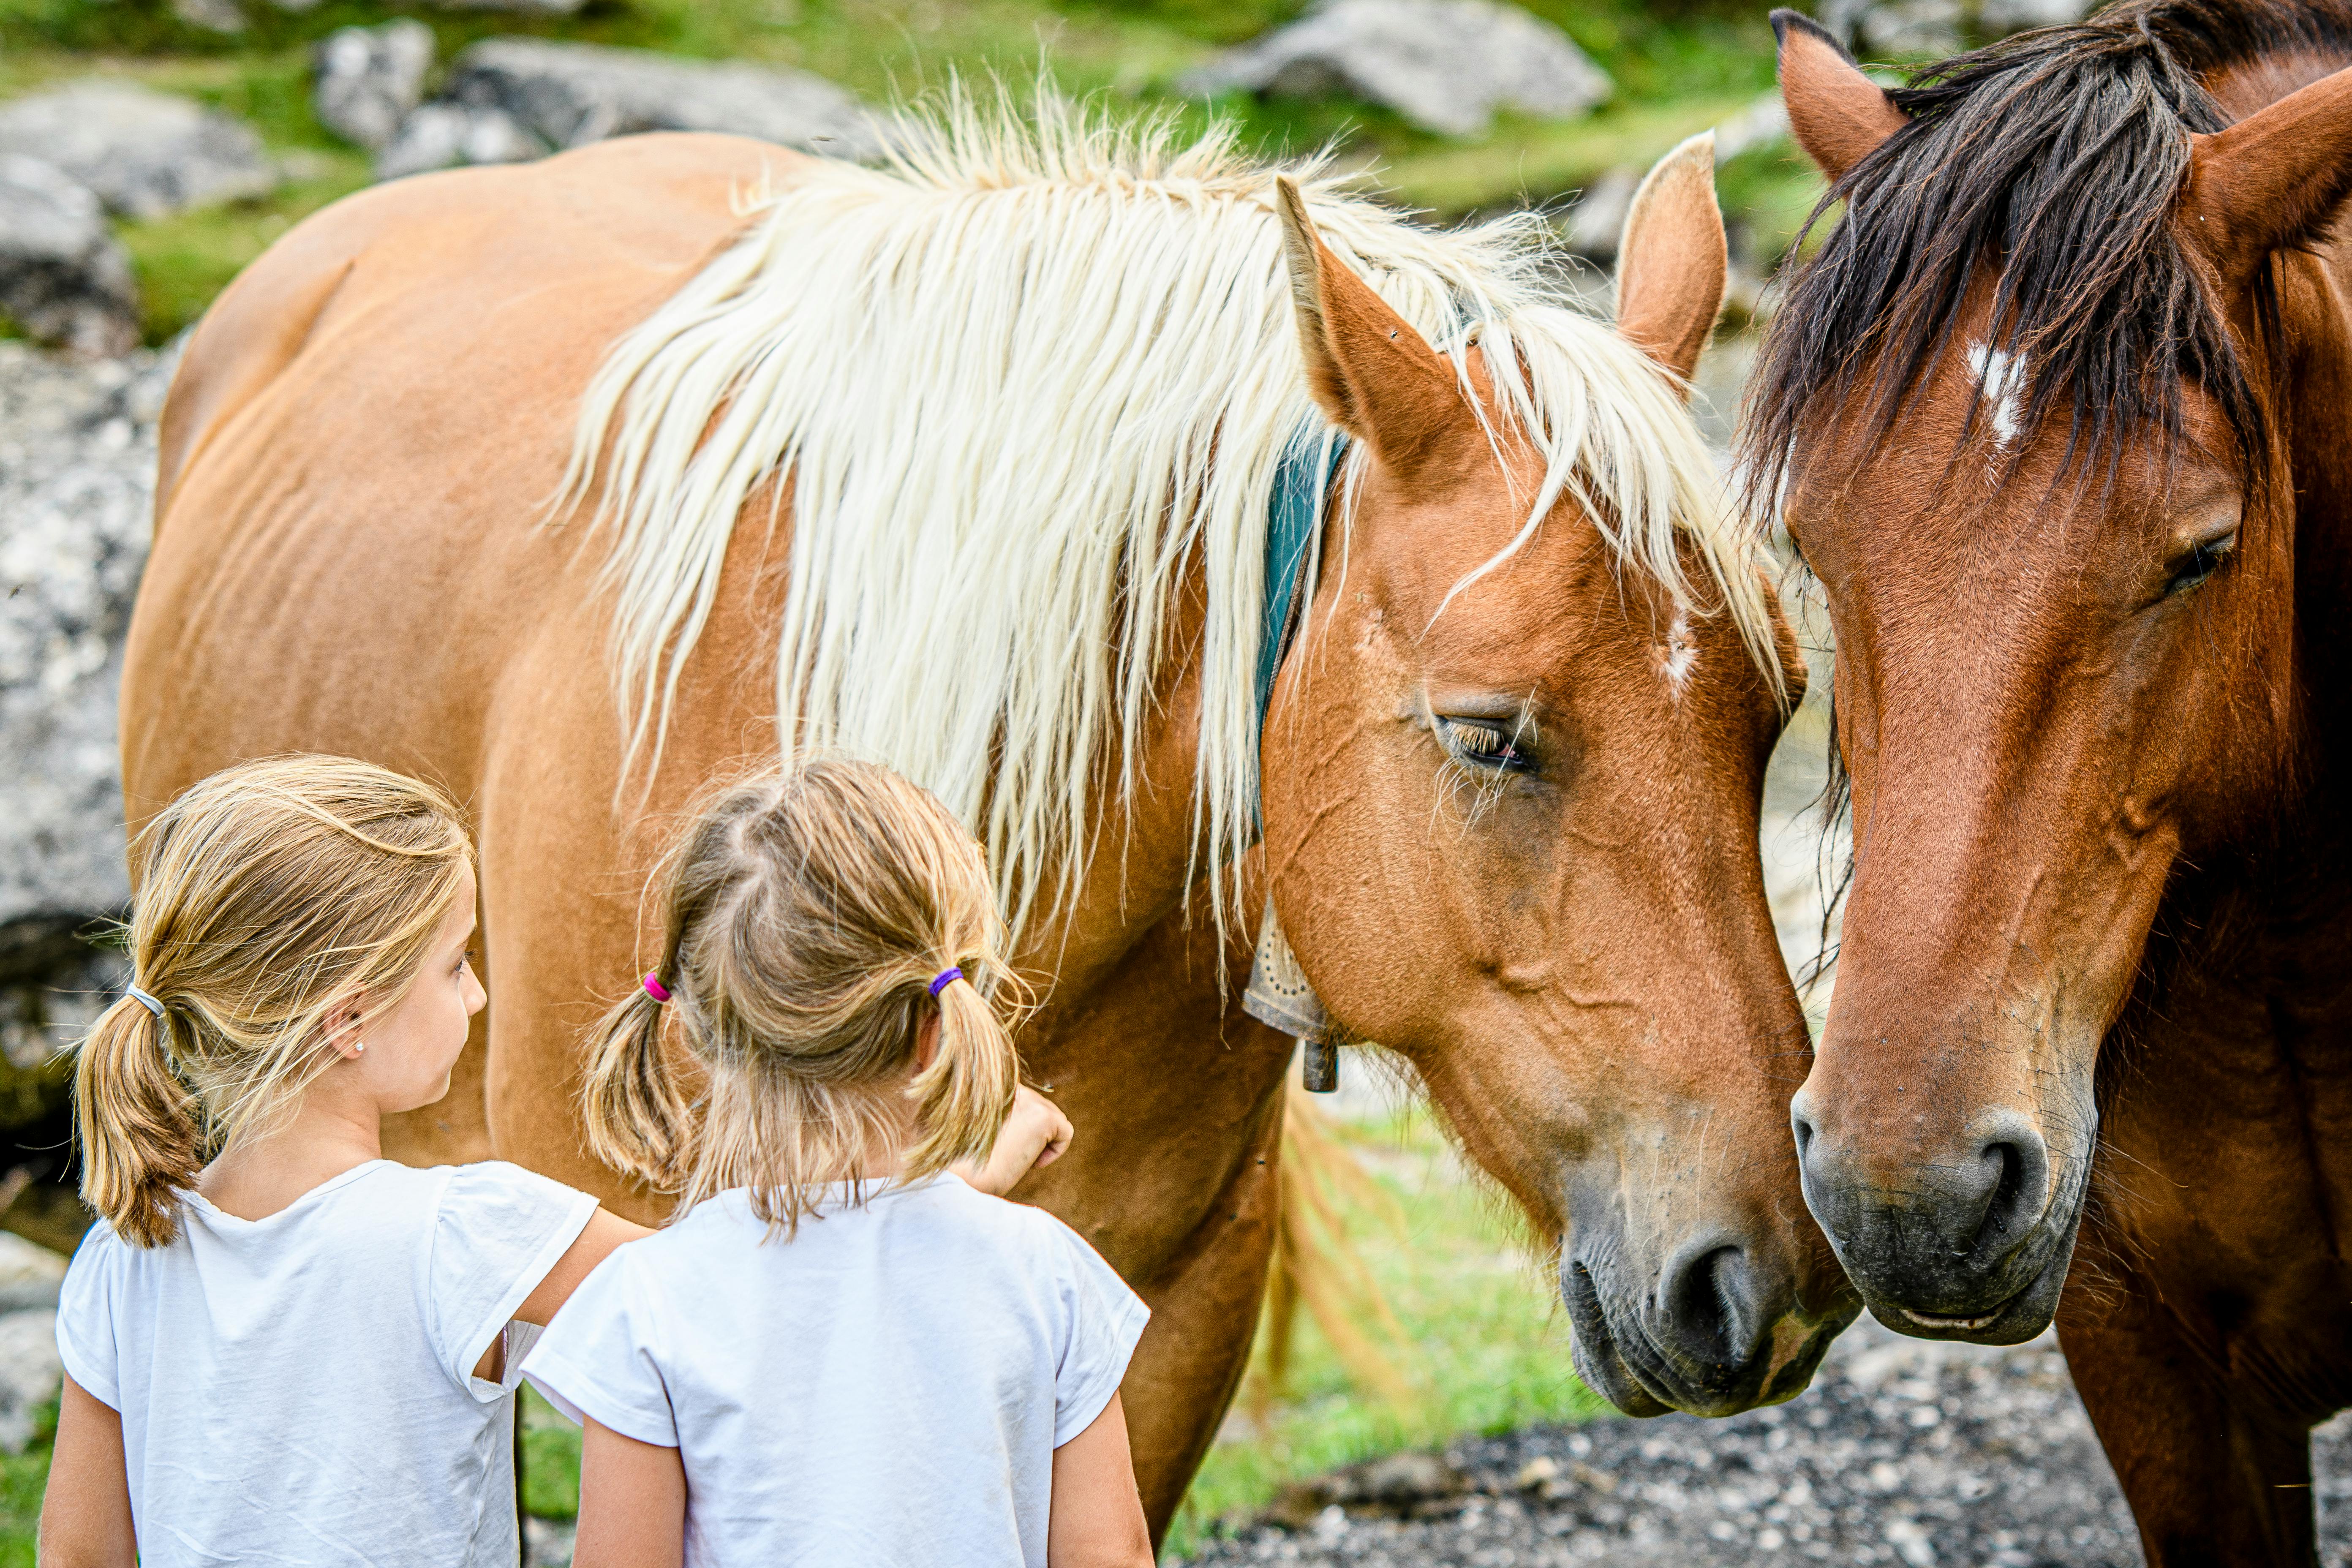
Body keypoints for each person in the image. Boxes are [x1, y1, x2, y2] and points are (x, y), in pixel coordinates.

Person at [36, 754, 1071, 1568]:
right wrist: (973, 1182)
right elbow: (758, 1308)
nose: (478, 997)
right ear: (347, 1018)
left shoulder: (124, 1253)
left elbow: (78, 1551)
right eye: (454, 963)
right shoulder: (466, 1230)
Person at [523, 759, 1156, 1568]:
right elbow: (1113, 1556)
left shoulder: (649, 1303)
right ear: (939, 1024)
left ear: (692, 1026)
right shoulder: (1048, 1276)